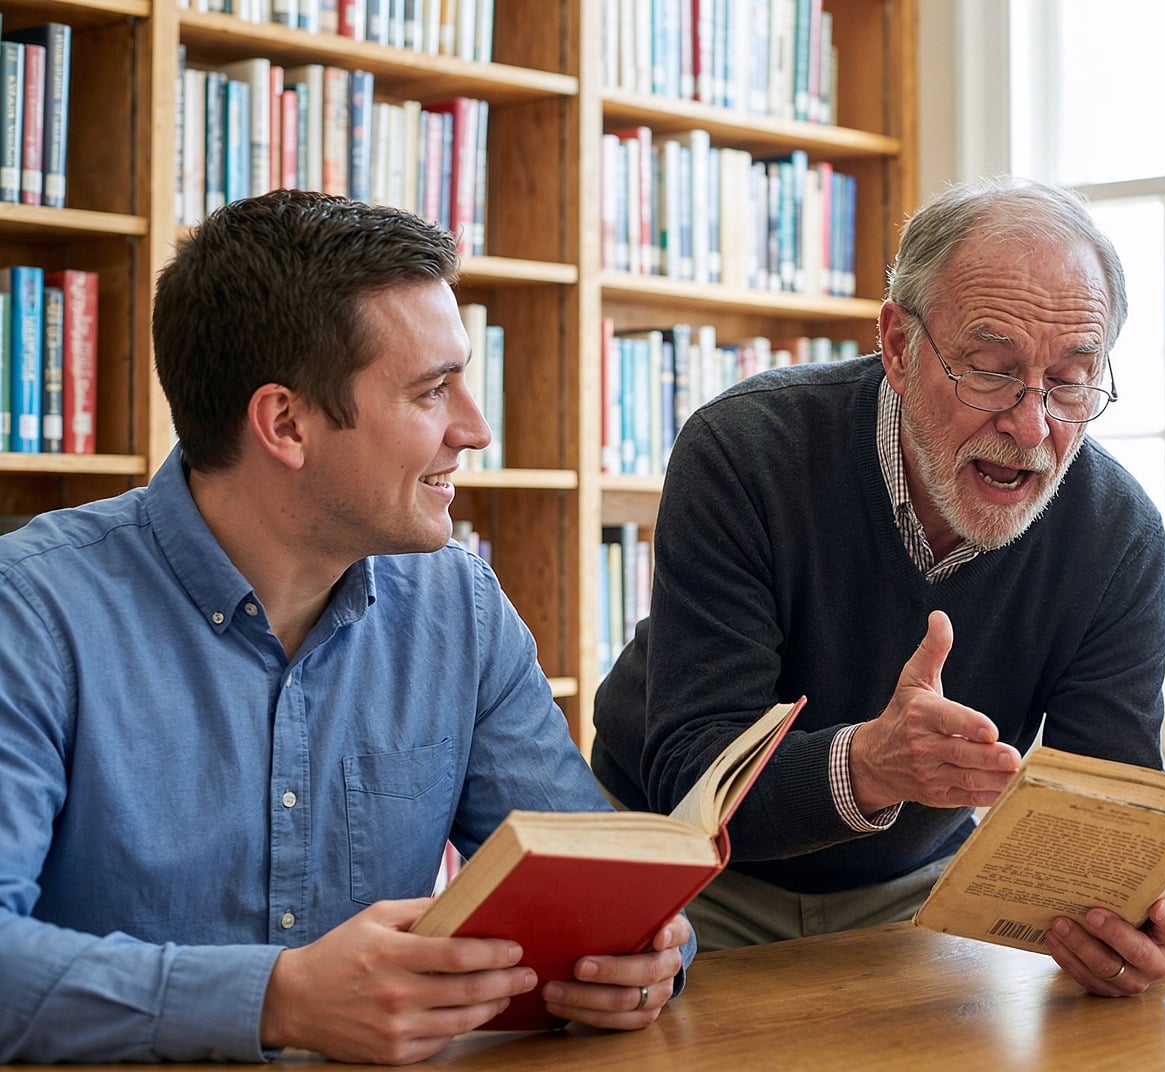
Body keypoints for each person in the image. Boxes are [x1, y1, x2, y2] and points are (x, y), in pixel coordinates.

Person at [0, 190, 694, 1064]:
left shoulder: (461, 610)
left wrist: (641, 958)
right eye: (433, 390)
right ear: (285, 423)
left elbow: (602, 886)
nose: (475, 429)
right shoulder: (29, 612)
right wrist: (275, 1000)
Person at [591, 176, 1165, 994]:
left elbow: (1104, 810)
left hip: (909, 891)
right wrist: (868, 764)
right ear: (900, 348)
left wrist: (1130, 919)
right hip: (683, 871)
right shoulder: (745, 452)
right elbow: (694, 772)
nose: (1033, 425)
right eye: (990, 370)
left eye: (1073, 379)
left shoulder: (1118, 536)